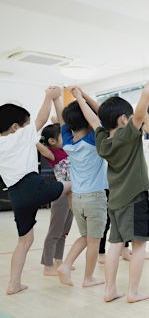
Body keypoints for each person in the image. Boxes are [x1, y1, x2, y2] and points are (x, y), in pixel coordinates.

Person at [94, 80, 149, 303]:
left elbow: (96, 120)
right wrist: (145, 93)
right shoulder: (128, 136)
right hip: (135, 199)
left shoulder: (103, 142)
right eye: (130, 117)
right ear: (124, 119)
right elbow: (140, 116)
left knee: (115, 245)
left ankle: (110, 289)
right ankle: (133, 292)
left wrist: (82, 97)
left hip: (115, 201)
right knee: (139, 245)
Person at [0, 86, 71, 295]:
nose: (32, 129)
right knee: (73, 185)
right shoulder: (18, 137)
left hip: (15, 195)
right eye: (26, 126)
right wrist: (49, 96)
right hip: (33, 186)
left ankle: (14, 284)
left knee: (25, 240)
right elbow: (40, 120)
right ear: (15, 127)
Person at [56, 87, 109, 288]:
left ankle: (67, 264)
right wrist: (81, 96)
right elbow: (100, 119)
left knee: (86, 237)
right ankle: (88, 278)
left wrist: (57, 99)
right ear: (88, 121)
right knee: (94, 240)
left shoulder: (68, 143)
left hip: (77, 198)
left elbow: (63, 122)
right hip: (94, 198)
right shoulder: (93, 140)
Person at [37, 122, 74, 275]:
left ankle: (59, 260)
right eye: (61, 136)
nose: (66, 137)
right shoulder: (52, 153)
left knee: (64, 231)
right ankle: (47, 265)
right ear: (52, 141)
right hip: (61, 195)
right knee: (55, 231)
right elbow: (36, 142)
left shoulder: (67, 149)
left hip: (72, 193)